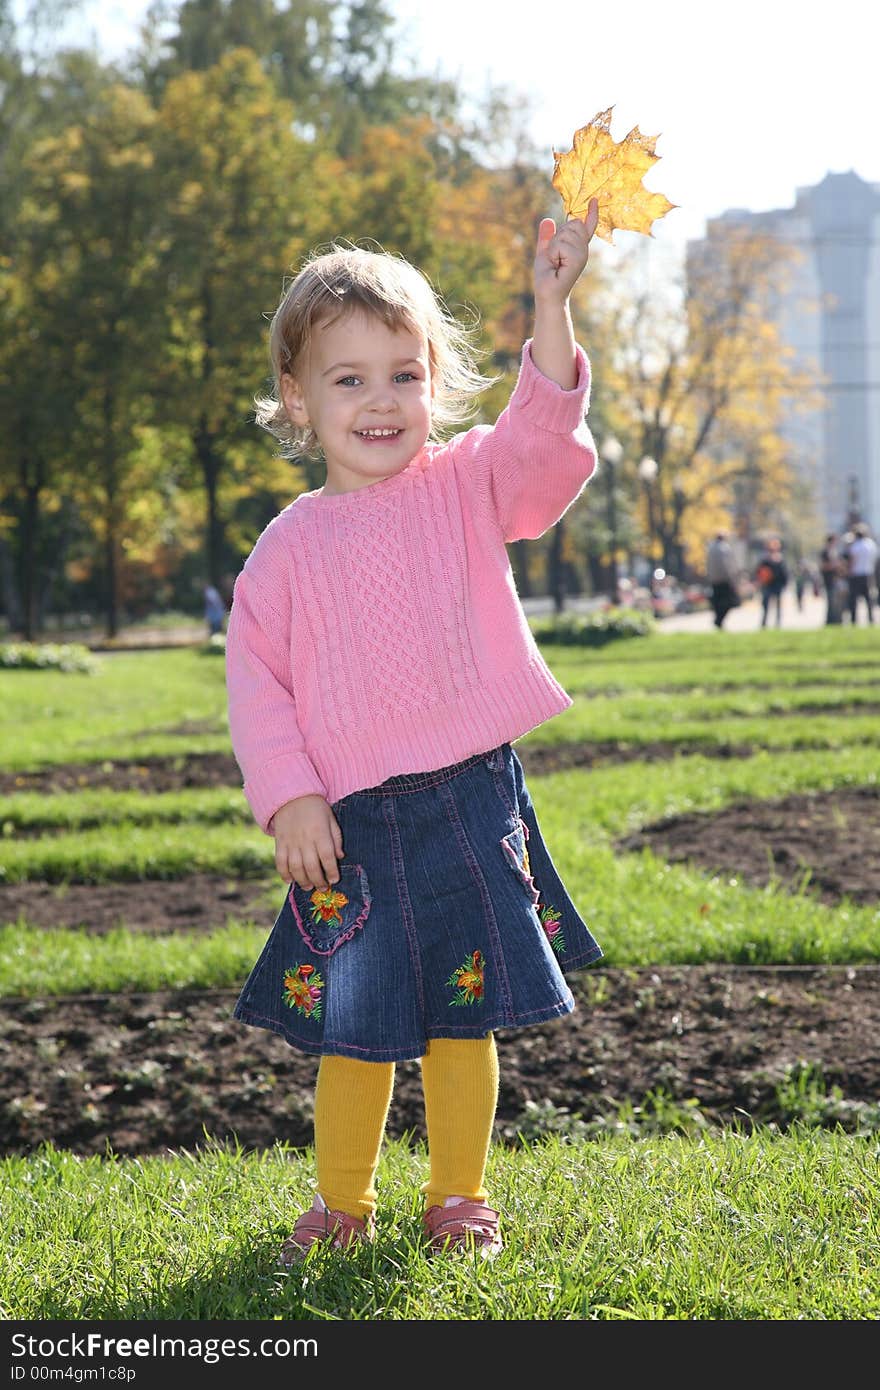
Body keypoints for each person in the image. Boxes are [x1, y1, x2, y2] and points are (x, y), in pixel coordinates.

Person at [224, 201, 604, 1264]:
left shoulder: (468, 483)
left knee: (461, 1016)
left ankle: (459, 1197)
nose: (380, 401)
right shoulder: (289, 546)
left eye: (404, 373)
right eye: (348, 379)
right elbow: (257, 684)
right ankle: (342, 1203)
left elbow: (545, 452)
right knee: (360, 1020)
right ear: (299, 397)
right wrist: (291, 795)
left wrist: (550, 305)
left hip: (471, 797)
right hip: (348, 821)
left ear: (435, 384)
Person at [705, 530, 740, 629]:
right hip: (725, 580)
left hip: (714, 580)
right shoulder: (725, 548)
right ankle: (719, 620)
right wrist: (733, 578)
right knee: (729, 602)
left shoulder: (710, 548)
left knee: (717, 602)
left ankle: (718, 620)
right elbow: (728, 566)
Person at [844, 522, 877, 625]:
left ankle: (854, 620)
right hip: (868, 574)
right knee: (869, 599)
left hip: (856, 574)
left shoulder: (855, 546)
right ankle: (871, 619)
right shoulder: (871, 544)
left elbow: (853, 561)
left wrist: (848, 571)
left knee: (854, 599)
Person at [755, 536, 788, 628]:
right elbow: (759, 571)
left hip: (778, 585)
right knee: (765, 605)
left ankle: (778, 623)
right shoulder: (765, 559)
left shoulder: (780, 558)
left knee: (778, 605)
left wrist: (785, 583)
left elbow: (784, 573)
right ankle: (764, 623)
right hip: (767, 584)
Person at [818, 533, 841, 624]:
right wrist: (834, 565)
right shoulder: (825, 552)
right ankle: (830, 620)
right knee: (830, 600)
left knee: (835, 601)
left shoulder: (834, 552)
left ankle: (835, 619)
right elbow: (822, 566)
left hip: (835, 579)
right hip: (828, 579)